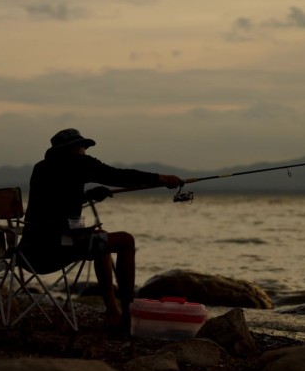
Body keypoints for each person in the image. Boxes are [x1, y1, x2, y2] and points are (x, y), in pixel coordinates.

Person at [18, 128, 183, 331]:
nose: (85, 150)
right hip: (58, 247)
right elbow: (118, 176)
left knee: (101, 241)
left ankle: (113, 312)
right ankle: (127, 314)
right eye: (83, 146)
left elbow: (55, 201)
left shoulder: (40, 168)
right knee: (125, 241)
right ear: (73, 148)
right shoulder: (79, 163)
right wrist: (162, 179)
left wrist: (88, 195)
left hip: (31, 250)